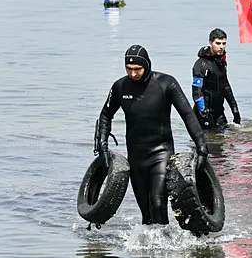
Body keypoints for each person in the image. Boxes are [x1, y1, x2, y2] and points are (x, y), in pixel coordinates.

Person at [97, 45, 208, 225]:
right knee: (146, 213)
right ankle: (152, 243)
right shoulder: (120, 87)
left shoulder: (166, 83)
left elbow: (188, 115)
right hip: (136, 157)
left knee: (157, 204)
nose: (133, 74)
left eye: (137, 69)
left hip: (161, 153)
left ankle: (164, 241)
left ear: (147, 65)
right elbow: (105, 115)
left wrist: (201, 146)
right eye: (128, 69)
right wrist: (102, 145)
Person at [192, 28, 241, 130]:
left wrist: (235, 110)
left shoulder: (221, 62)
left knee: (226, 137)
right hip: (203, 114)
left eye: (224, 43)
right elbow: (196, 91)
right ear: (210, 43)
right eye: (218, 43)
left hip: (219, 113)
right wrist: (203, 112)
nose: (221, 47)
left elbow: (226, 86)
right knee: (209, 139)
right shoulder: (201, 64)